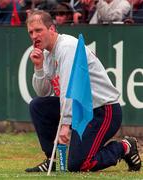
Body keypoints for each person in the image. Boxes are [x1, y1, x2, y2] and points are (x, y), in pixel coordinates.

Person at [25, 10, 141, 172]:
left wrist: (65, 124)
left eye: (39, 30)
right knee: (38, 105)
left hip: (103, 111)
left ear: (51, 29)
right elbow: (43, 92)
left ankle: (125, 146)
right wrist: (38, 67)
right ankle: (53, 160)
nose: (34, 35)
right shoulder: (48, 53)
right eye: (31, 32)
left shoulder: (67, 47)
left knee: (78, 165)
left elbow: (69, 89)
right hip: (81, 110)